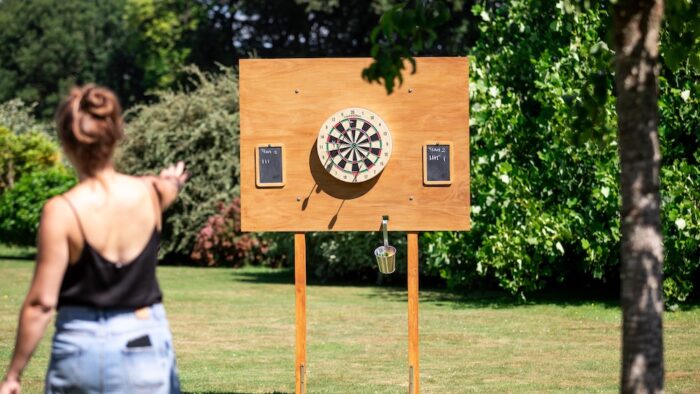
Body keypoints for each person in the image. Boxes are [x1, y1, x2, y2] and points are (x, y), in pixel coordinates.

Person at [0, 85, 188, 394]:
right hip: (146, 342)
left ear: (65, 142)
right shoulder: (150, 193)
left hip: (81, 348)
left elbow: (41, 304)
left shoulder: (61, 212)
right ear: (116, 136)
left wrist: (13, 376)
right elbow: (169, 187)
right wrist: (173, 180)